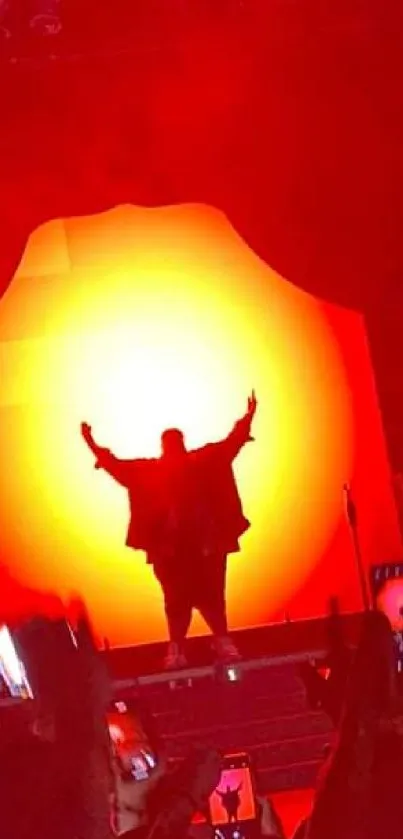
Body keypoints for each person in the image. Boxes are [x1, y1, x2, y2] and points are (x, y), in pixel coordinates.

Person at [80, 391, 257, 669]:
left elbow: (231, 444)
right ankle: (180, 647)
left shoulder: (201, 464)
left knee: (211, 598)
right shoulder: (153, 473)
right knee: (177, 601)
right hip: (172, 550)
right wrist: (91, 443)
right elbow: (116, 467)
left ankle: (217, 642)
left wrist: (248, 418)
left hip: (204, 547)